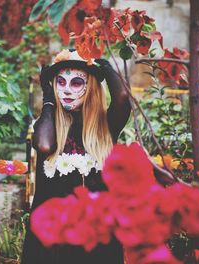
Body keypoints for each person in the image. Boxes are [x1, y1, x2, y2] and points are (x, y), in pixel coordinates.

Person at [21, 49, 131, 264]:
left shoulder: (105, 128)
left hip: (96, 242)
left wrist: (104, 65)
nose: (67, 90)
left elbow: (123, 97)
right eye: (60, 82)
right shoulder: (49, 125)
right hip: (51, 244)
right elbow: (43, 145)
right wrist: (48, 98)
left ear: (90, 87)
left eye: (77, 83)